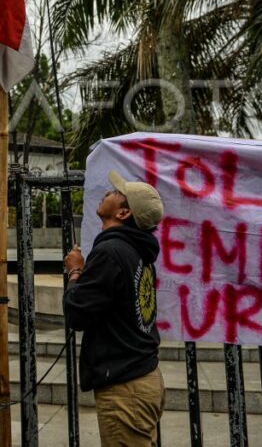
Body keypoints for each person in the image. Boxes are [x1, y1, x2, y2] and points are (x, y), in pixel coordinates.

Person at [63, 170, 165, 447]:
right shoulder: (137, 251)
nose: (108, 193)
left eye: (117, 194)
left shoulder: (111, 252)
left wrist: (75, 272)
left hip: (125, 387)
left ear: (122, 214)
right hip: (142, 376)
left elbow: (77, 313)